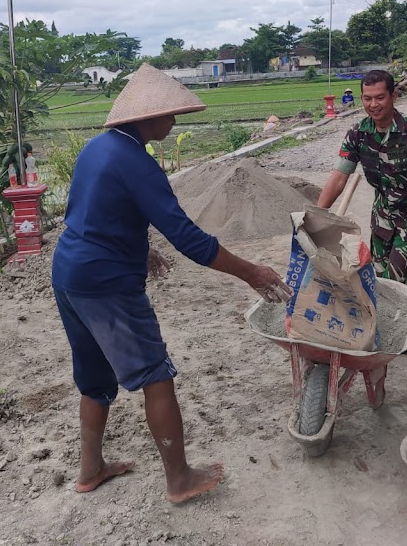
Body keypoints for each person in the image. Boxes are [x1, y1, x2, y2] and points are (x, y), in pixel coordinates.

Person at [51, 63, 290, 505]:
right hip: (107, 284)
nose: (175, 122)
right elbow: (190, 240)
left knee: (94, 376)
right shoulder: (138, 164)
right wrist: (252, 273)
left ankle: (91, 470)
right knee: (155, 373)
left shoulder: (97, 148)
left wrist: (140, 249)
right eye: (171, 114)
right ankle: (179, 479)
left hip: (69, 273)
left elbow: (92, 212)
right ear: (149, 116)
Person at [316, 69, 407, 354]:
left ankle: (395, 334)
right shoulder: (358, 133)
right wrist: (316, 214)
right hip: (382, 218)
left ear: (393, 96)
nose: (373, 104)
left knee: (394, 281)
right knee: (377, 280)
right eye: (367, 98)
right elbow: (339, 177)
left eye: (380, 97)